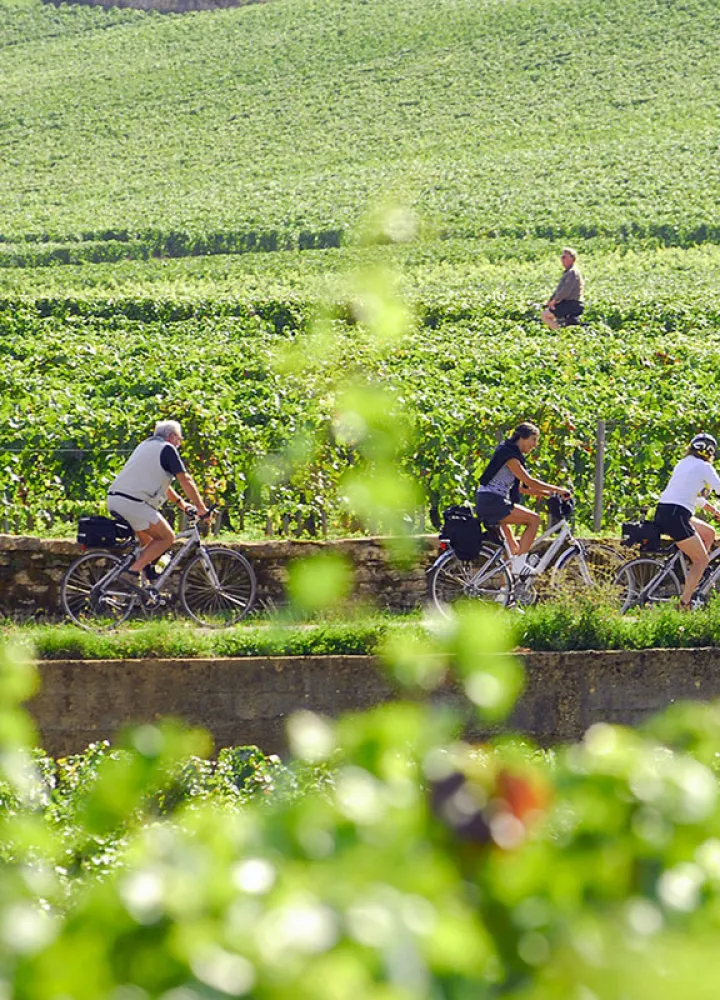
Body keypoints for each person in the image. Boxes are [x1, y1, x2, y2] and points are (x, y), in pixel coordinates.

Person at [107, 420, 208, 586]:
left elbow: (163, 485)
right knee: (167, 537)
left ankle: (145, 587)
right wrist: (201, 508)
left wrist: (182, 504)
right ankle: (131, 573)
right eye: (180, 439)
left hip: (116, 499)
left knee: (148, 544)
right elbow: (185, 480)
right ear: (172, 436)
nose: (180, 443)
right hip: (134, 504)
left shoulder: (145, 446)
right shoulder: (167, 449)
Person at [476, 422, 571, 574]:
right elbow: (529, 481)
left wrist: (547, 494)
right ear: (522, 438)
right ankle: (520, 567)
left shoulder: (509, 452)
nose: (535, 445)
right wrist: (559, 490)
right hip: (492, 501)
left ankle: (503, 593)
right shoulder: (509, 456)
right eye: (533, 439)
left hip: (492, 501)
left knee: (513, 550)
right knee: (534, 520)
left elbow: (521, 488)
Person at [653, 432, 720, 609]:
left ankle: (692, 576)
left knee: (709, 533)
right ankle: (685, 603)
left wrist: (713, 510)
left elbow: (689, 495)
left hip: (666, 511)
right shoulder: (705, 467)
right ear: (710, 453)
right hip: (677, 515)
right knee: (702, 560)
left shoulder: (683, 464)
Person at [541, 247, 584, 330]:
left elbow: (566, 290)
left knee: (545, 315)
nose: (562, 259)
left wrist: (555, 301)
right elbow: (559, 290)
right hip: (568, 303)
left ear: (572, 259)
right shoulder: (567, 272)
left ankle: (559, 334)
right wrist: (550, 300)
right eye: (561, 257)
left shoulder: (573, 272)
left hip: (572, 303)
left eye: (564, 257)